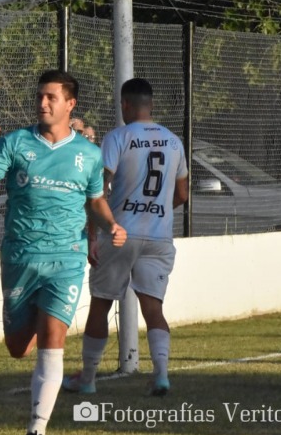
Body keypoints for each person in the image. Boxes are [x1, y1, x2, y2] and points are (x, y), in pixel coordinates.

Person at [0, 70, 127, 435]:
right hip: (21, 256)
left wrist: (109, 224)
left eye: (51, 97)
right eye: (40, 96)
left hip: (66, 259)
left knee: (53, 340)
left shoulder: (88, 155)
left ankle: (35, 434)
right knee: (18, 347)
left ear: (70, 104)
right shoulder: (17, 142)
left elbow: (94, 200)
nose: (42, 103)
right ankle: (37, 319)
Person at [62, 78, 189, 397]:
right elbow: (183, 194)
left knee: (101, 305)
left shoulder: (118, 137)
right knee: (153, 308)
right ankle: (161, 376)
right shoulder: (174, 141)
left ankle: (88, 379)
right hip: (159, 236)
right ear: (151, 104)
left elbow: (98, 191)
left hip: (119, 233)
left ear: (125, 105)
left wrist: (93, 235)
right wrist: (158, 208)